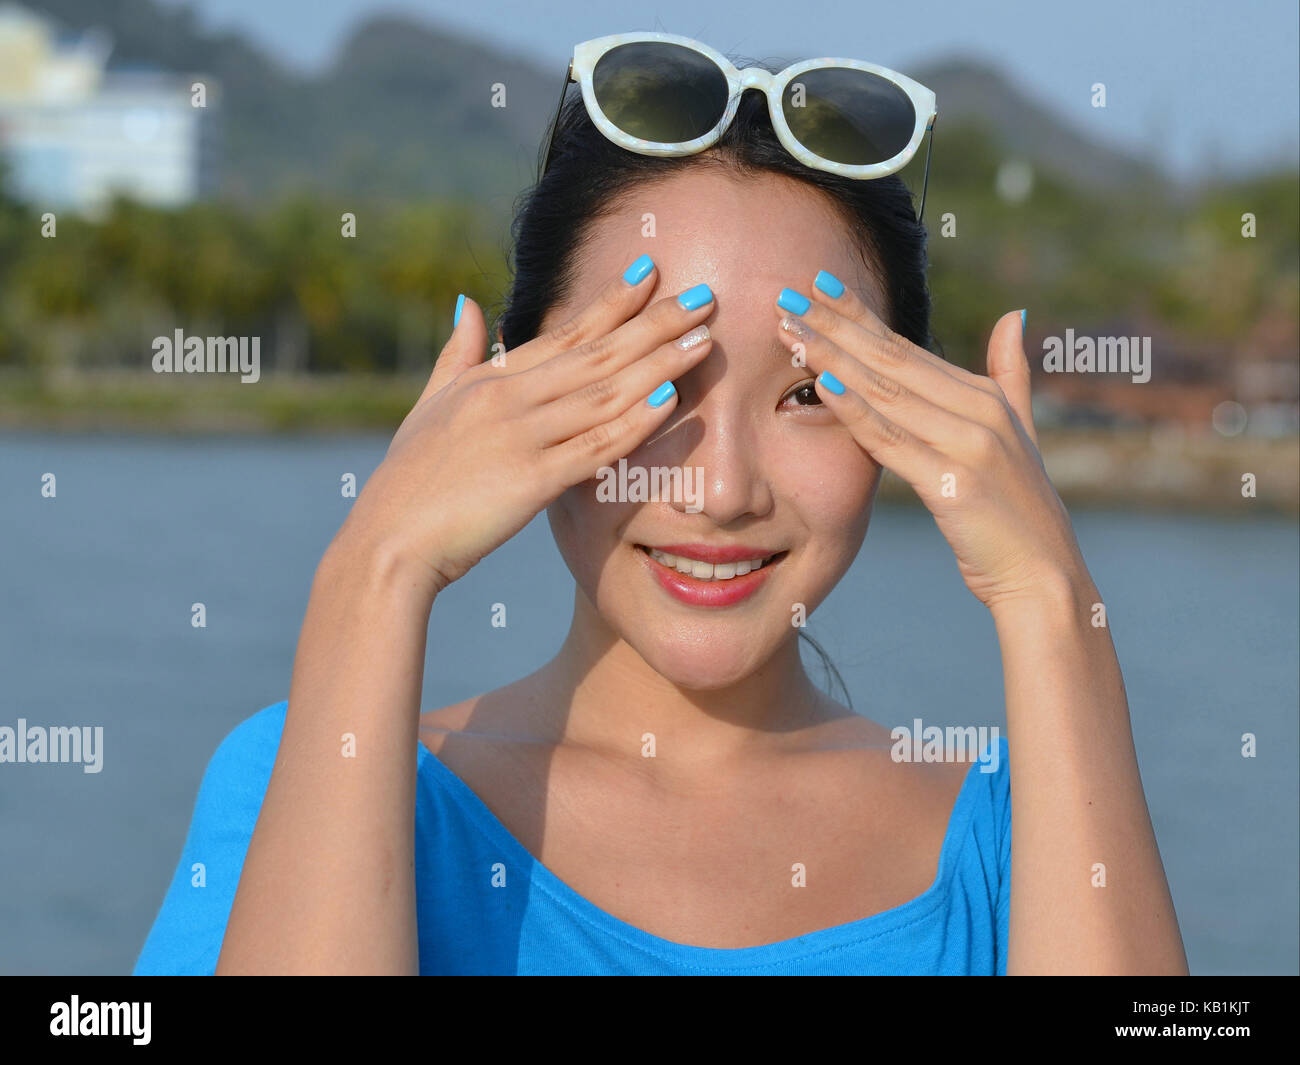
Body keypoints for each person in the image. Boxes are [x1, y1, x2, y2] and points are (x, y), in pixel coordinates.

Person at [134, 34, 1187, 975]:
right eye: (652, 379)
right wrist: (372, 573)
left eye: (810, 393)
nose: (721, 491)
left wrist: (1052, 601)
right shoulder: (316, 772)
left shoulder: (1023, 835)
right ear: (509, 389)